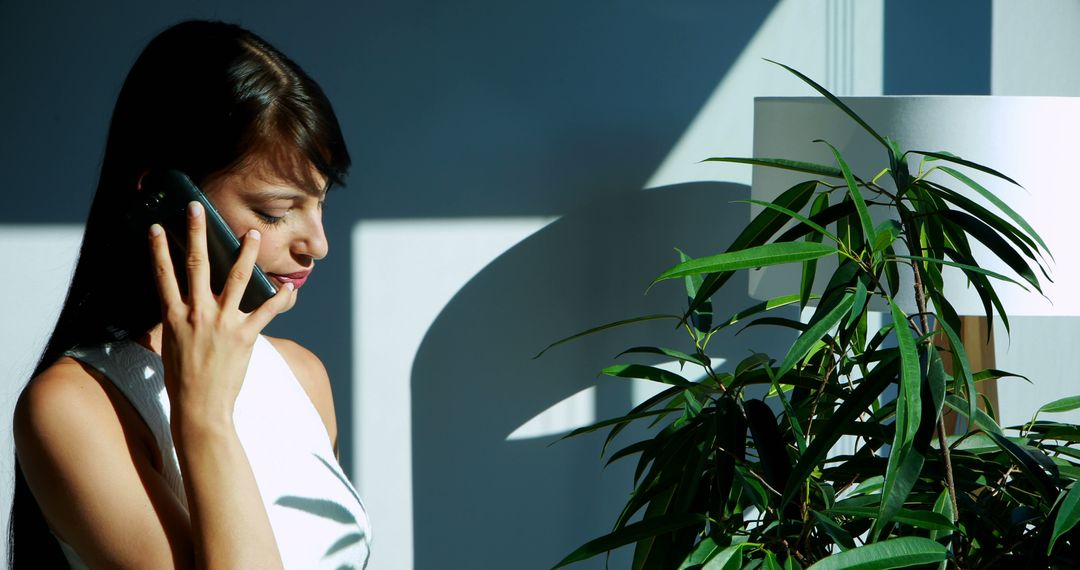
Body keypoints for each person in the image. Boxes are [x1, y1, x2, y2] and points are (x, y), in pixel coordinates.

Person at [9, 20, 370, 568]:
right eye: (276, 212)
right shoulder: (74, 409)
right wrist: (203, 416)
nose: (317, 244)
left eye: (320, 201)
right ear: (166, 198)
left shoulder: (302, 377)